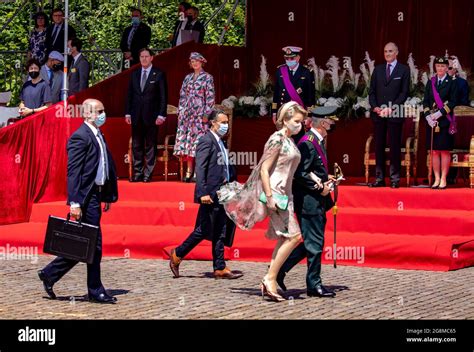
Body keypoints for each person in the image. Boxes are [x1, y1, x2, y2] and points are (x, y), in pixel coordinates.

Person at [219, 101, 306, 302]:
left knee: (286, 237)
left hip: (285, 194)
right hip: (275, 194)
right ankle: (269, 278)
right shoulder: (277, 139)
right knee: (293, 236)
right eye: (296, 121)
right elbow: (264, 169)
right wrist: (268, 197)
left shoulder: (289, 140)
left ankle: (271, 279)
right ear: (285, 119)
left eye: (301, 122)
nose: (299, 125)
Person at [38, 98, 119, 304]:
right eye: (99, 111)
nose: (103, 114)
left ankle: (50, 273)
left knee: (87, 244)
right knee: (95, 245)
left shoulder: (98, 134)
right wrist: (74, 203)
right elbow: (73, 173)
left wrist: (106, 195)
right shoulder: (80, 137)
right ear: (87, 114)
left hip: (96, 195)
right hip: (85, 198)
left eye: (103, 110)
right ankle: (95, 290)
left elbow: (102, 167)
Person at [168, 109, 242, 279]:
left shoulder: (221, 142)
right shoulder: (206, 140)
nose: (225, 125)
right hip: (210, 193)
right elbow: (200, 168)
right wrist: (202, 192)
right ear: (213, 123)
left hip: (223, 193)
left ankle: (219, 267)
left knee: (220, 229)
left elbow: (225, 167)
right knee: (204, 229)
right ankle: (177, 254)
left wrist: (234, 185)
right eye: (222, 122)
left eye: (227, 122)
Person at [277, 106, 338, 298]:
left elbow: (311, 169)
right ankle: (314, 284)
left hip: (316, 201)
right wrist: (320, 188)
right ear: (322, 123)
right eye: (331, 121)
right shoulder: (308, 143)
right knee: (315, 243)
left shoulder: (316, 141)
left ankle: (279, 268)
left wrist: (325, 177)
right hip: (309, 201)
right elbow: (300, 174)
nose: (333, 125)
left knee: (313, 241)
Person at [368, 42, 410, 189]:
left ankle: (394, 179)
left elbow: (404, 93)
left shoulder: (404, 70)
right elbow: (371, 92)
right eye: (385, 51)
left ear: (397, 52)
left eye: (390, 51)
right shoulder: (378, 70)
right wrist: (375, 107)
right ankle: (379, 179)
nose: (387, 54)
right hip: (379, 114)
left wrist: (390, 109)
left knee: (394, 146)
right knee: (378, 146)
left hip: (394, 113)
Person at [125, 48, 168, 182]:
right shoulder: (135, 74)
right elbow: (129, 95)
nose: (144, 58)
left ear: (151, 58)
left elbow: (163, 97)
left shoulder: (159, 74)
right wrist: (127, 113)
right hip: (136, 115)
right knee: (137, 145)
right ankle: (138, 173)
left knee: (150, 145)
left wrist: (162, 115)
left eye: (146, 56)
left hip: (152, 116)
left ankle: (148, 174)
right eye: (141, 56)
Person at [173, 52, 215, 182]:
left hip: (199, 116)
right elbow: (182, 96)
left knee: (198, 144)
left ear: (201, 62)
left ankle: (198, 171)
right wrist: (180, 111)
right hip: (187, 116)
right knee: (188, 144)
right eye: (192, 61)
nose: (194, 63)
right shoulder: (187, 78)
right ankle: (188, 170)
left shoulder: (208, 78)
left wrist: (206, 114)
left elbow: (210, 98)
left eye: (197, 61)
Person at [423, 56, 458, 190]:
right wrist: (428, 117)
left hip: (445, 121)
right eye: (438, 66)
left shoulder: (452, 82)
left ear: (447, 68)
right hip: (432, 122)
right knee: (434, 152)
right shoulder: (431, 82)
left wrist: (439, 113)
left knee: (444, 151)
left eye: (443, 66)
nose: (440, 68)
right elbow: (425, 101)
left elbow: (453, 101)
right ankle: (436, 178)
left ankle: (443, 178)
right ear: (435, 67)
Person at [272, 46, 315, 143]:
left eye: (292, 58)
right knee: (284, 142)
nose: (289, 60)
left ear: (298, 58)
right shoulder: (280, 71)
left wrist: (309, 115)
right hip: (283, 114)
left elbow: (311, 96)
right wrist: (274, 112)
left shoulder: (307, 72)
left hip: (299, 115)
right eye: (286, 58)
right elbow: (276, 94)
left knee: (299, 142)